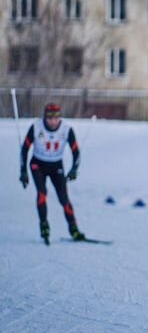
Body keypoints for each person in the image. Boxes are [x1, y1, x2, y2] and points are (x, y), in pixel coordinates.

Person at [20, 103, 85, 245]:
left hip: (56, 165)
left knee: (64, 199)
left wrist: (74, 168)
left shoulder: (67, 129)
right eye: (49, 118)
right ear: (45, 118)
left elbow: (76, 152)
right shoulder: (36, 127)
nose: (53, 121)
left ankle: (74, 229)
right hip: (38, 164)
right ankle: (44, 226)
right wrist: (23, 171)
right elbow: (24, 149)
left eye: (56, 118)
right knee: (42, 193)